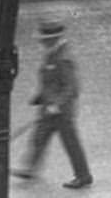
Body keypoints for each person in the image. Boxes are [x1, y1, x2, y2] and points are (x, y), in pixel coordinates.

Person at [13, 20, 93, 190]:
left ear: (52, 39)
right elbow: (50, 81)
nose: (40, 42)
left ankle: (83, 176)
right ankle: (30, 169)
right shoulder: (52, 53)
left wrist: (56, 104)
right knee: (39, 138)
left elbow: (72, 87)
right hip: (48, 109)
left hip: (61, 112)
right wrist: (40, 98)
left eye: (43, 39)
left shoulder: (63, 59)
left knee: (71, 144)